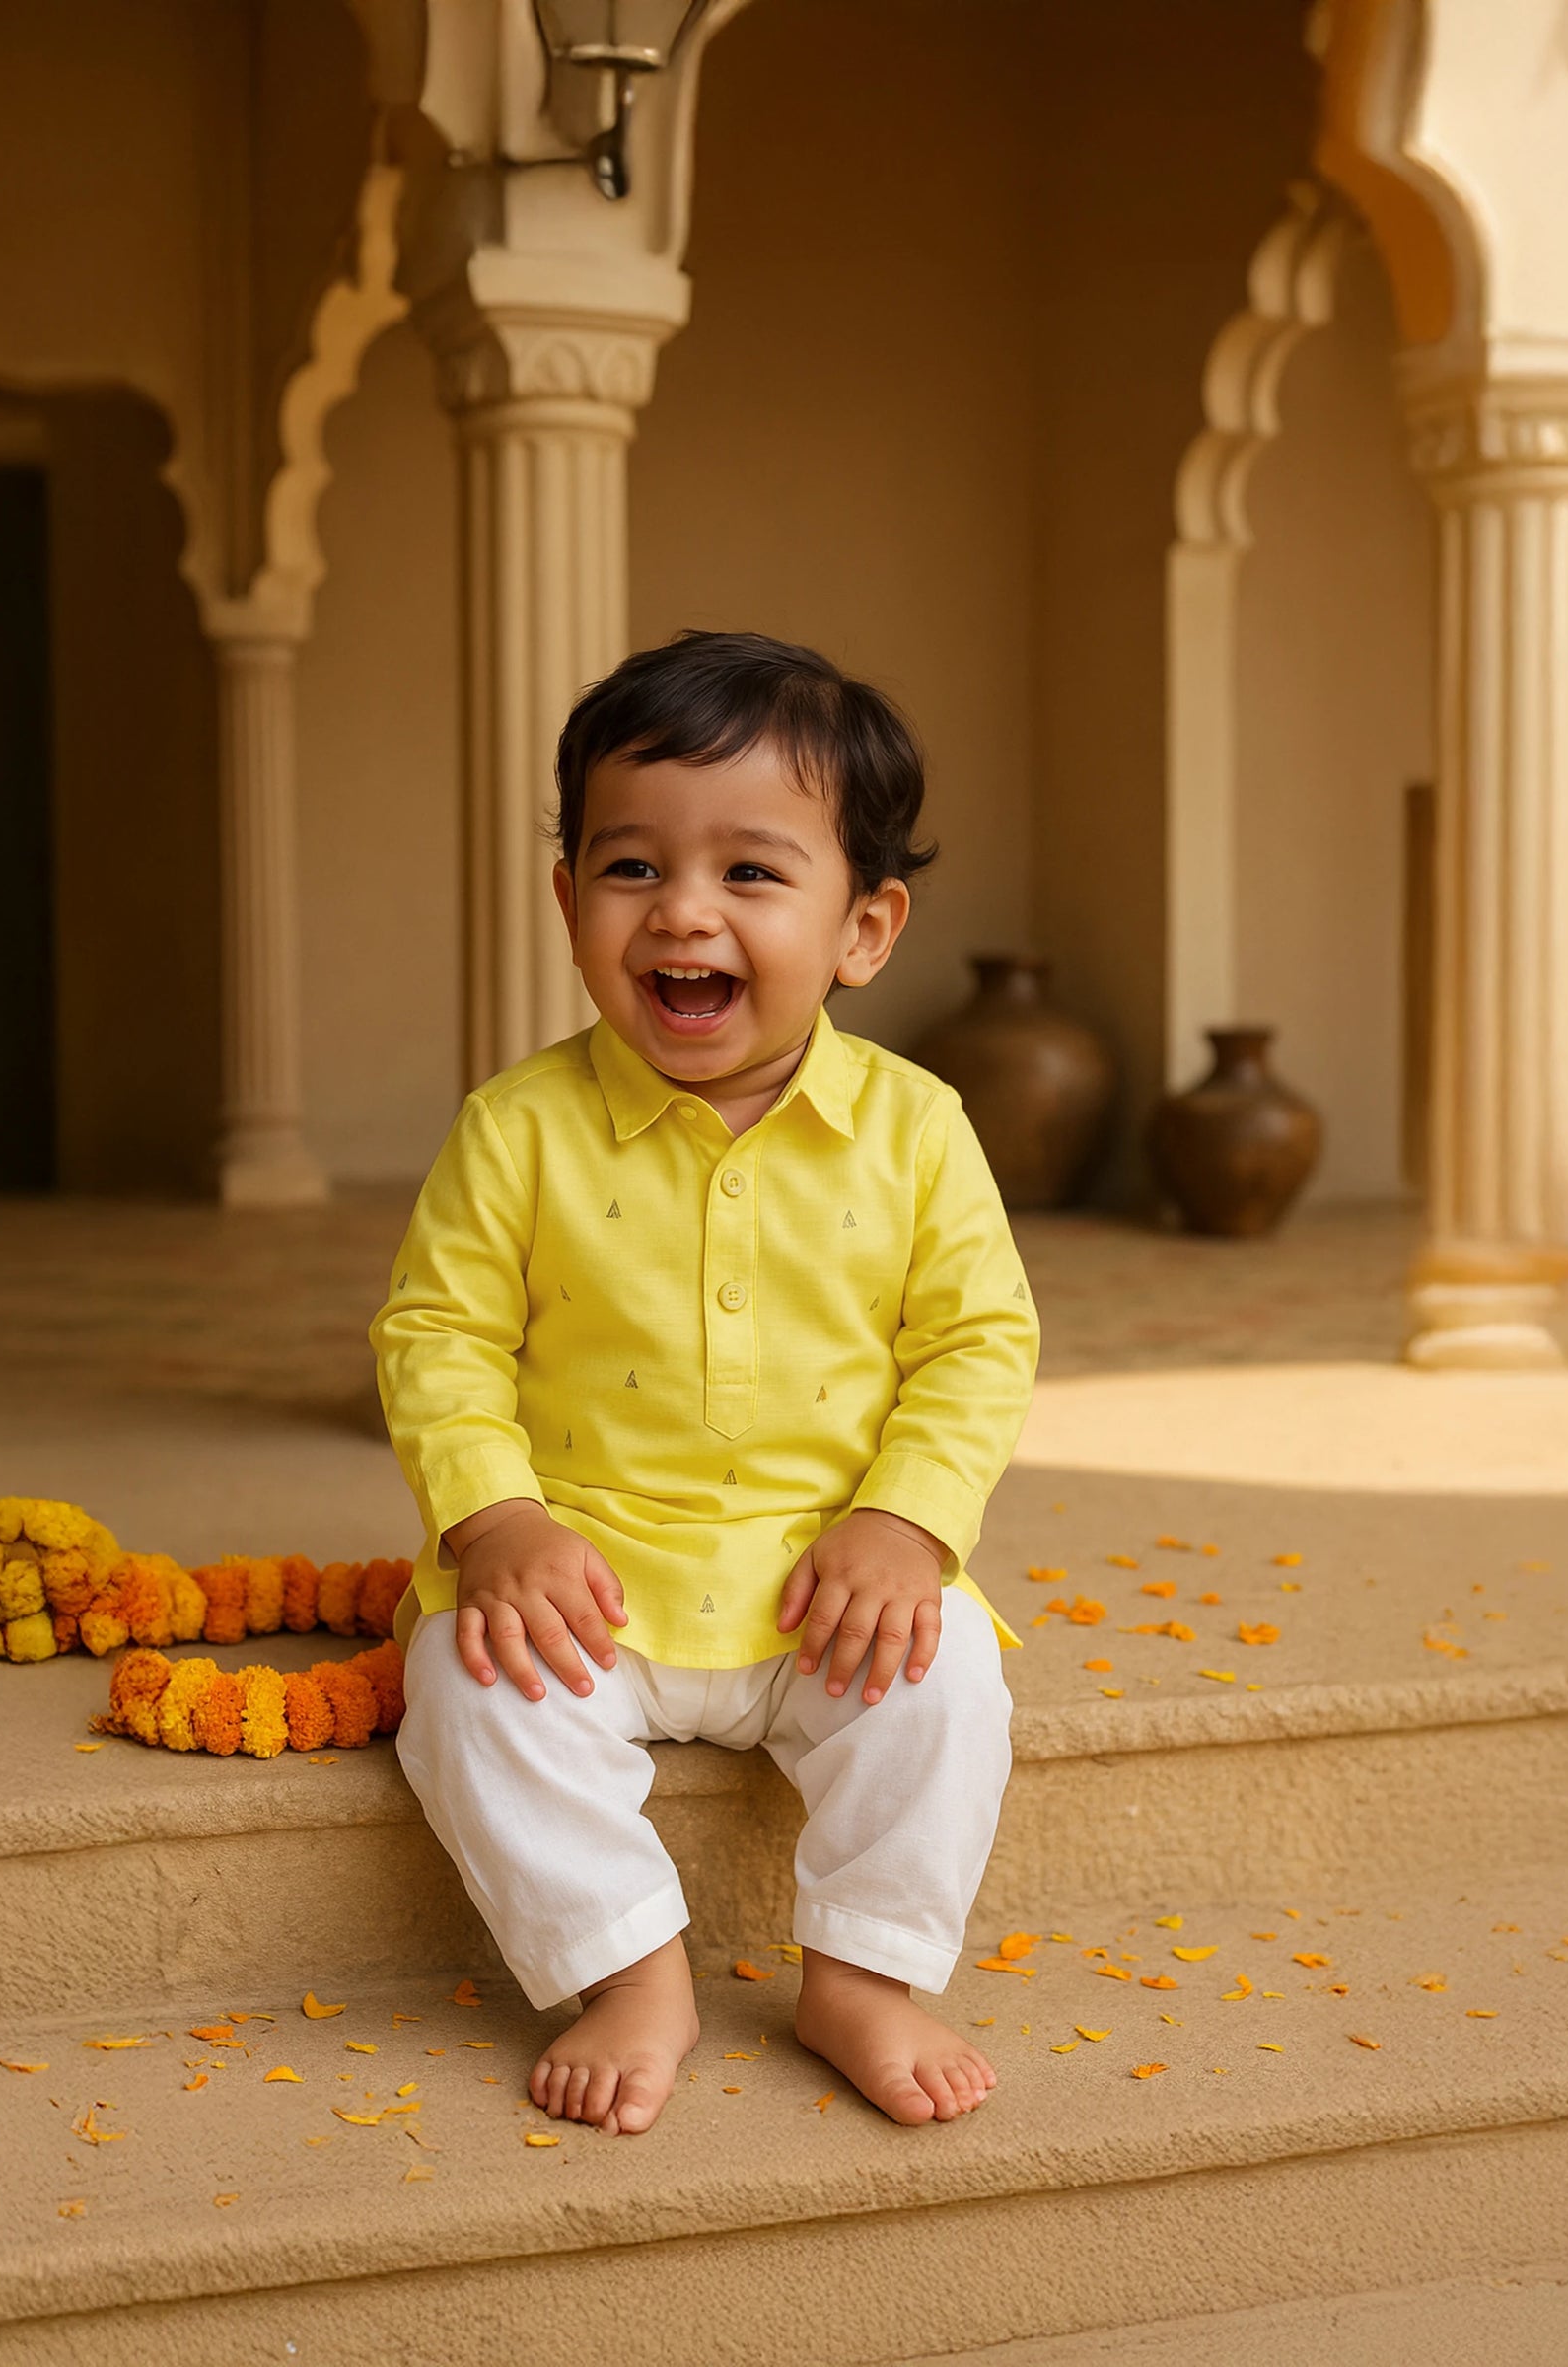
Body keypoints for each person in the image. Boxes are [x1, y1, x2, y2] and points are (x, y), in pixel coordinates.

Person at [373, 629, 1038, 2136]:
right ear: (568, 901)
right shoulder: (514, 1130)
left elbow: (978, 1341)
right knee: (460, 1694)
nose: (683, 913)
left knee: (953, 1688)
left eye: (750, 873)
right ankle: (628, 1966)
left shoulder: (920, 1129)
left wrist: (909, 1527)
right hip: (584, 1579)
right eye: (630, 870)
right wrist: (497, 1525)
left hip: (829, 1585)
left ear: (864, 927)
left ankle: (865, 1970)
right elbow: (438, 1336)